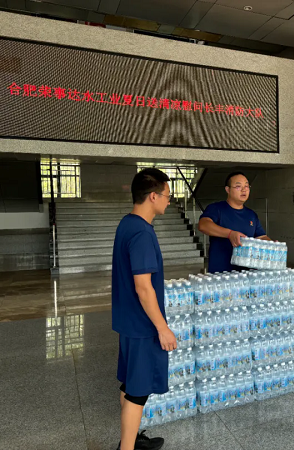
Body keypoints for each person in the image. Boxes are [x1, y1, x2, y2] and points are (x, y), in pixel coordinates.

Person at [112, 168, 178, 450]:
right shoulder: (141, 232)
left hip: (128, 321)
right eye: (167, 195)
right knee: (137, 393)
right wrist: (163, 328)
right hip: (142, 326)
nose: (169, 201)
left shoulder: (127, 223)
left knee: (130, 385)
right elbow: (144, 288)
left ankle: (131, 438)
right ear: (153, 196)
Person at [198, 171, 272, 273]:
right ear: (228, 190)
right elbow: (203, 225)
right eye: (238, 186)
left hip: (247, 274)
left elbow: (261, 237)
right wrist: (230, 234)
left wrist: (272, 245)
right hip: (221, 274)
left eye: (246, 186)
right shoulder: (216, 209)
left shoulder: (251, 214)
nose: (243, 190)